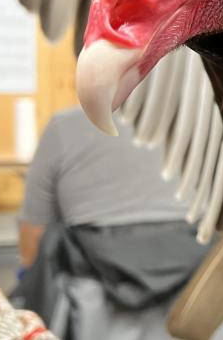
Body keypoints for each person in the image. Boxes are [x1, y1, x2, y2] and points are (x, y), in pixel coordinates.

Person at [13, 107, 211, 340]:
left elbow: (32, 243)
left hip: (90, 318)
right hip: (195, 309)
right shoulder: (203, 126)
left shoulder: (64, 127)